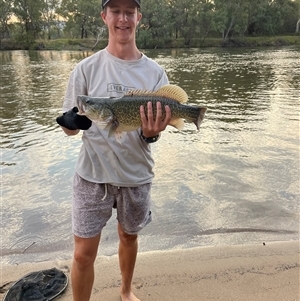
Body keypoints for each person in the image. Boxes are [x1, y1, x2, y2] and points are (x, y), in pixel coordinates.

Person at [56, 0, 171, 300]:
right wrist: (70, 123)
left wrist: (151, 134)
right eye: (116, 11)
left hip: (135, 174)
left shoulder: (155, 74)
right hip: (91, 176)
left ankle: (126, 290)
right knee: (82, 255)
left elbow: (153, 136)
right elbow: (72, 128)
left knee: (128, 236)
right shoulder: (85, 69)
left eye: (129, 12)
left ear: (138, 18)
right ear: (104, 16)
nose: (123, 18)